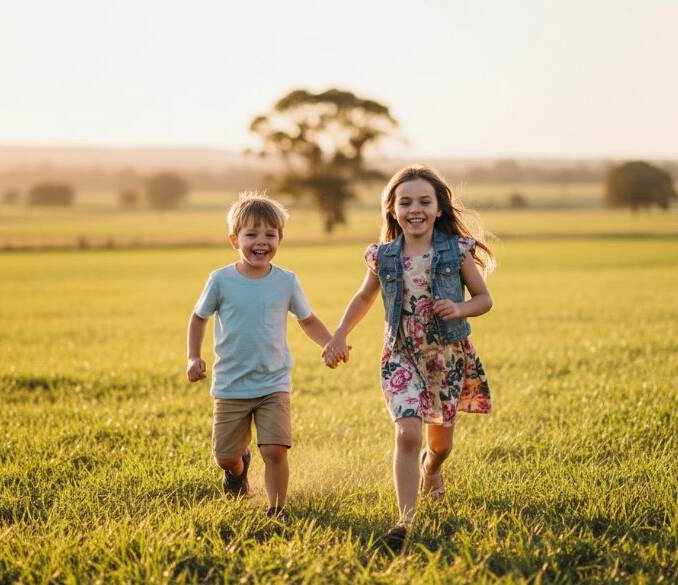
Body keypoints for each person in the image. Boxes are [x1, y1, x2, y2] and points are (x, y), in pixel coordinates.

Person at [323, 164, 494, 552]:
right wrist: (339, 335)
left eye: (423, 201)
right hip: (401, 354)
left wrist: (459, 307)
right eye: (405, 202)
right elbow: (364, 297)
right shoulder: (382, 257)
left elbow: (484, 299)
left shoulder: (456, 250)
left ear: (438, 209)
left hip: (446, 357)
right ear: (392, 210)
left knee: (441, 445)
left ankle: (431, 470)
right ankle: (406, 520)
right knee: (408, 433)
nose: (414, 208)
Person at [187, 192, 333, 519]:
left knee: (275, 450)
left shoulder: (286, 281)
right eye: (251, 234)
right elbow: (199, 317)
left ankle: (276, 510)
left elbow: (307, 320)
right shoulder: (221, 280)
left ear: (280, 238)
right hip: (230, 386)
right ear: (234, 240)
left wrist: (330, 342)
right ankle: (238, 470)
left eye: (270, 234)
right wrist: (193, 357)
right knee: (225, 456)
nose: (261, 241)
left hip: (273, 383)